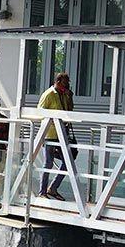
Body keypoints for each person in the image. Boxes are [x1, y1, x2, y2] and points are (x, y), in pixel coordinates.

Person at [36, 72, 75, 200]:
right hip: (50, 134)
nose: (67, 85)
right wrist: (52, 120)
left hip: (62, 134)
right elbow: (40, 112)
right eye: (65, 82)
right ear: (58, 82)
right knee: (48, 163)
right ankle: (42, 192)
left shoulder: (63, 94)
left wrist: (70, 97)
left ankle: (53, 188)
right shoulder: (49, 94)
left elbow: (69, 112)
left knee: (68, 161)